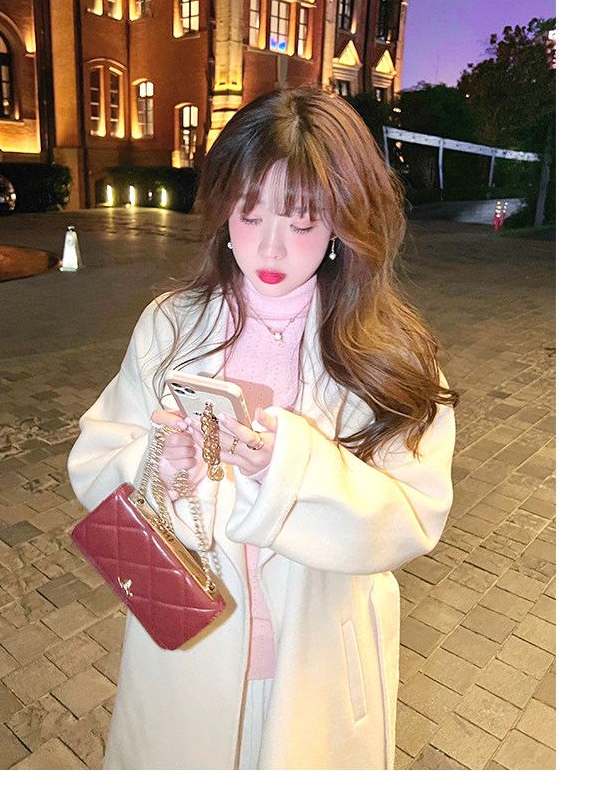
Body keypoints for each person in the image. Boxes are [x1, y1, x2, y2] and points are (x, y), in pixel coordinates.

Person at [67, 87, 458, 770]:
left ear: (343, 222)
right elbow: (97, 456)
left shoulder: (390, 351)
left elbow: (415, 514)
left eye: (302, 223)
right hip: (188, 644)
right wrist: (158, 464)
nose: (270, 247)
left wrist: (293, 470)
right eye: (249, 215)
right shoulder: (171, 323)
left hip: (318, 661)